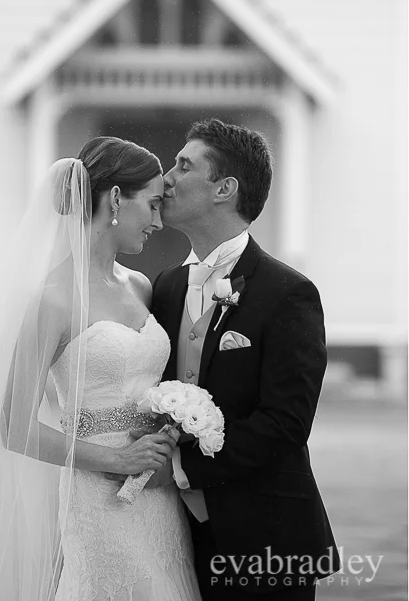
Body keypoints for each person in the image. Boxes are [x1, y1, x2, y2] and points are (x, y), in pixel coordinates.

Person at [0, 137, 200, 601]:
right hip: (98, 497)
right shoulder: (52, 299)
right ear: (116, 198)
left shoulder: (140, 286)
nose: (159, 222)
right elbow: (15, 428)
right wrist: (119, 460)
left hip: (157, 492)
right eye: (153, 204)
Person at [150, 118, 339, 599]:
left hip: (265, 537)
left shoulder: (288, 292)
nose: (166, 178)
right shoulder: (166, 287)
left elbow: (287, 422)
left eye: (183, 166)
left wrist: (183, 468)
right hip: (172, 535)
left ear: (224, 189)